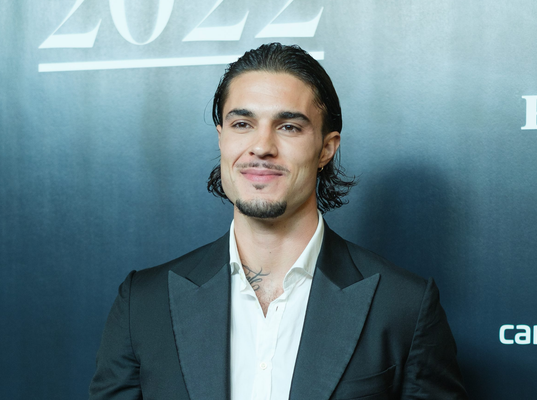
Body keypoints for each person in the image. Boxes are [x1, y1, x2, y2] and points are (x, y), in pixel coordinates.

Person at [89, 43, 468, 400]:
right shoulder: (143, 304)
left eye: (289, 127)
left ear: (326, 149)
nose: (261, 146)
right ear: (221, 139)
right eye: (242, 124)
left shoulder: (404, 307)